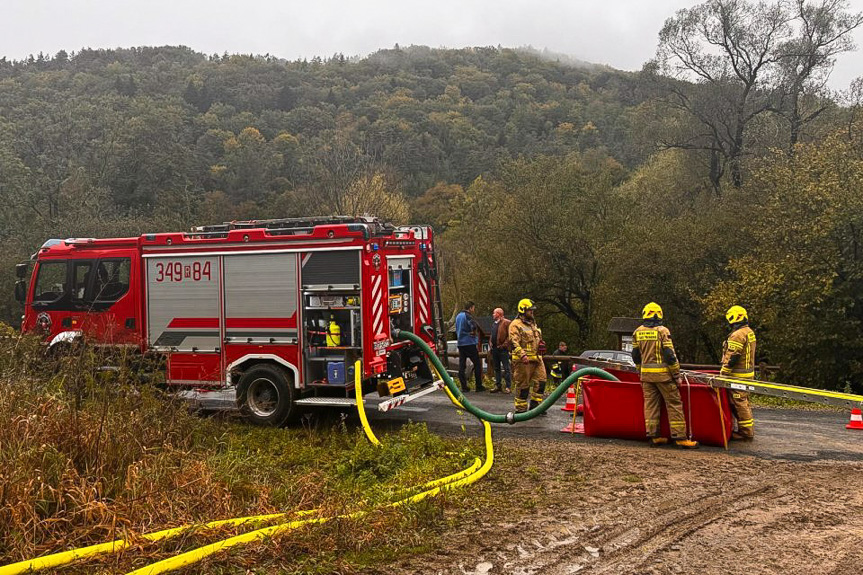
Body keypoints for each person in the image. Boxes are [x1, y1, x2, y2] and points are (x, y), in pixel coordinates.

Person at [632, 302, 698, 449]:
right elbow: (670, 355)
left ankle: (654, 436)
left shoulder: (637, 332)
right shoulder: (662, 331)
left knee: (650, 405)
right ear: (660, 314)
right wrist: (676, 374)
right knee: (674, 404)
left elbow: (635, 356)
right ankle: (680, 437)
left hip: (646, 377)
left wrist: (639, 371)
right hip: (664, 377)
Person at [721, 305, 757, 440]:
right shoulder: (749, 332)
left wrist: (724, 372)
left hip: (738, 376)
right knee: (744, 402)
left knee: (739, 402)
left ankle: (746, 433)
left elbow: (733, 356)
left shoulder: (737, 335)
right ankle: (746, 430)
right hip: (747, 374)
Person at [509, 298, 547, 413]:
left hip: (537, 359)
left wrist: (541, 344)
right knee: (523, 386)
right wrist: (522, 355)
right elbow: (513, 342)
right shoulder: (515, 325)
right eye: (530, 310)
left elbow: (536, 338)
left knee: (541, 381)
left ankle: (536, 406)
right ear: (523, 310)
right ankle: (521, 410)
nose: (532, 312)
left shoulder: (533, 324)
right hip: (523, 361)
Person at [455, 301, 484, 392]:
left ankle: (464, 386)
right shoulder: (468, 315)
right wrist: (474, 332)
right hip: (469, 342)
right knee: (477, 364)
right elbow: (473, 325)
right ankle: (478, 385)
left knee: (462, 365)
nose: (473, 310)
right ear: (471, 307)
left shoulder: (458, 316)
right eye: (473, 308)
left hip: (460, 342)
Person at [489, 307, 512, 393]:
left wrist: (504, 345)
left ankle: (508, 386)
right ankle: (498, 385)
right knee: (496, 368)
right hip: (494, 349)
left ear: (499, 314)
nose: (493, 314)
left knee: (506, 368)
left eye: (494, 313)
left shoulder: (507, 322)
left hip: (503, 349)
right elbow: (492, 334)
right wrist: (490, 342)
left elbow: (510, 336)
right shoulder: (494, 324)